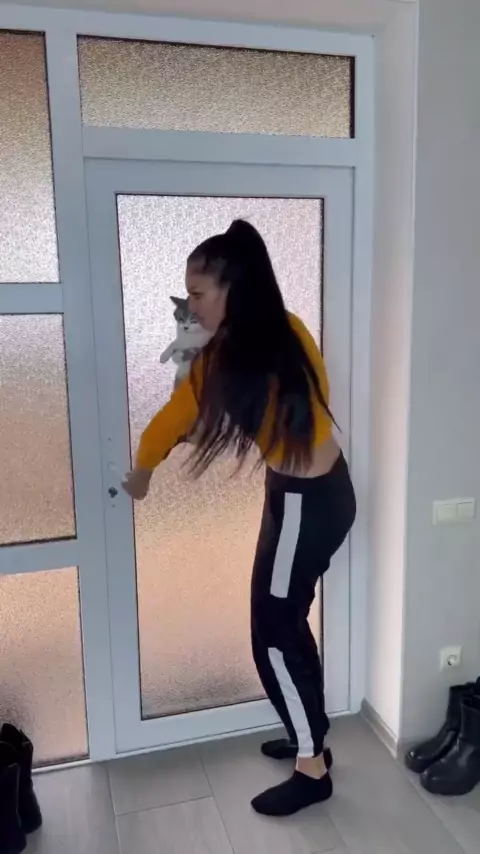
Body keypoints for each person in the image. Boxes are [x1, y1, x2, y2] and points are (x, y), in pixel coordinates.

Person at [122, 219, 356, 816]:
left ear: (234, 290)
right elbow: (192, 410)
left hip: (307, 503)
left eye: (198, 294)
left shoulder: (249, 351)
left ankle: (312, 767)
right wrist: (194, 349)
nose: (189, 305)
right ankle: (310, 734)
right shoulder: (271, 334)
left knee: (273, 634)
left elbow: (182, 414)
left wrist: (143, 470)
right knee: (284, 622)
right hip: (305, 493)